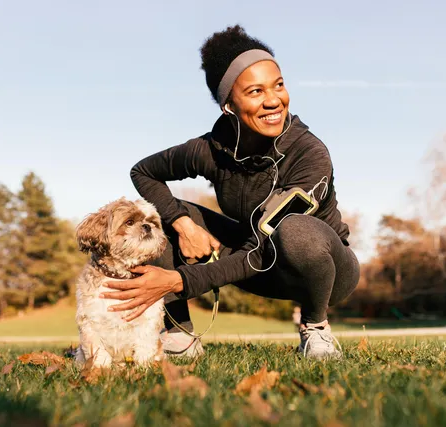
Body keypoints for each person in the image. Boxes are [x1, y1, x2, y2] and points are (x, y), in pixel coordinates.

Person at [99, 25, 360, 359]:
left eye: (278, 85)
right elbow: (144, 172)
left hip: (323, 273)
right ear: (229, 106)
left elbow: (262, 247)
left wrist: (178, 280)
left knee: (296, 231)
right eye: (255, 92)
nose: (273, 100)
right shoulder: (211, 149)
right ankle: (179, 335)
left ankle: (315, 328)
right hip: (256, 267)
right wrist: (183, 224)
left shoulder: (310, 155)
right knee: (162, 217)